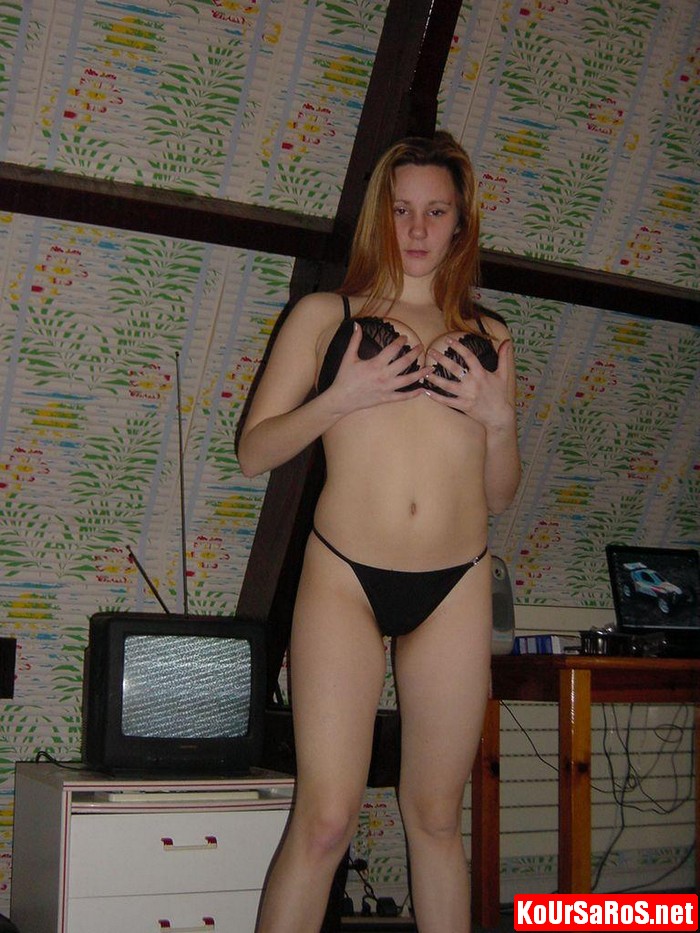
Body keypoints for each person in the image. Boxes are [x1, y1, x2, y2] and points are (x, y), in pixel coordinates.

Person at [237, 131, 521, 933]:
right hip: (345, 579)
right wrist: (342, 396)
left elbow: (498, 493)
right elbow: (254, 450)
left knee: (435, 819)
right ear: (379, 216)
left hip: (456, 581)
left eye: (436, 211)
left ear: (461, 223)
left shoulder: (491, 336)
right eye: (402, 210)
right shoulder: (327, 316)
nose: (418, 228)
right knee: (326, 820)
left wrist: (499, 420)